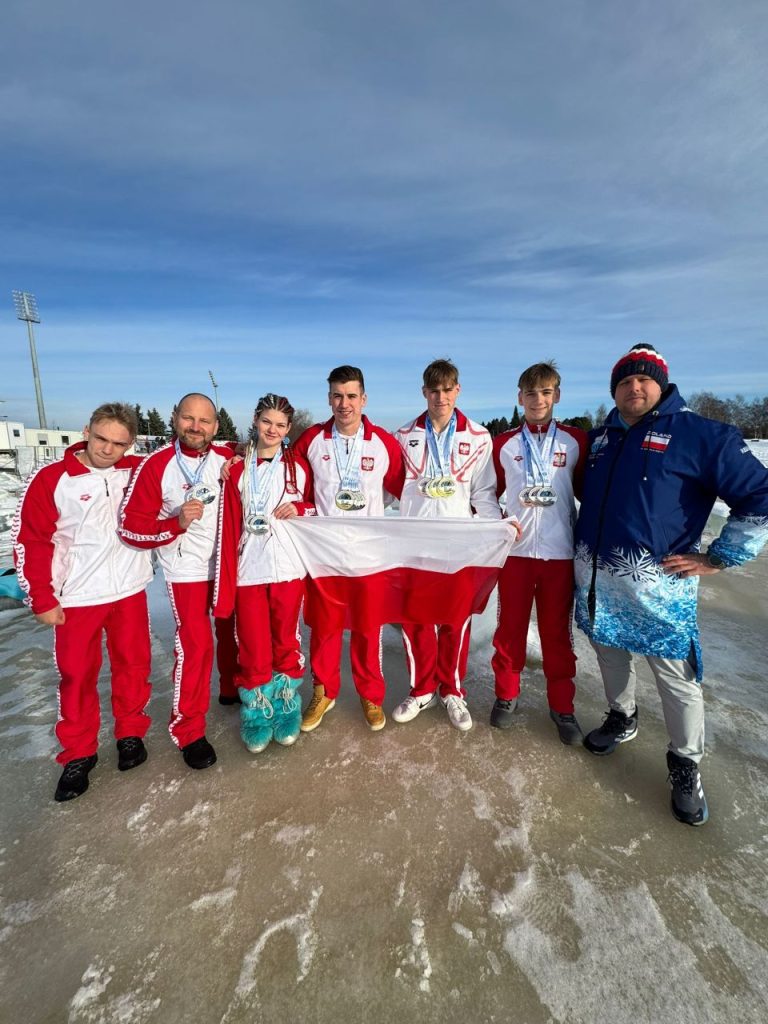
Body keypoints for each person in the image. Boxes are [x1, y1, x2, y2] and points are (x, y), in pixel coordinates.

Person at [575, 344, 768, 825]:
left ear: (661, 385)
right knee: (610, 656)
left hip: (659, 589)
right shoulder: (600, 440)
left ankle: (685, 762)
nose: (634, 387)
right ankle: (622, 716)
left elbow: (760, 495)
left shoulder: (701, 435)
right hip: (600, 584)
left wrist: (720, 557)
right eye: (624, 381)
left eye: (644, 379)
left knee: (676, 679)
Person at [12, 403, 153, 801]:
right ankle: (78, 752)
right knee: (76, 677)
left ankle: (130, 733)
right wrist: (41, 597)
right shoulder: (54, 479)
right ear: (86, 432)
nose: (108, 450)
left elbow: (183, 459)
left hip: (129, 589)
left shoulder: (137, 470)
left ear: (130, 444)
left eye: (119, 444)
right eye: (101, 439)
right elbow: (32, 539)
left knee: (133, 666)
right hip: (77, 596)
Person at [118, 393, 238, 770]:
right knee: (196, 646)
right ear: (174, 418)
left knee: (234, 632)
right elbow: (131, 527)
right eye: (188, 418)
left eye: (204, 421)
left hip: (228, 565)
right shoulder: (157, 464)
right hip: (186, 570)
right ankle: (189, 730)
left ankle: (232, 689)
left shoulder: (227, 457)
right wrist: (175, 524)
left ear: (215, 426)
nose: (196, 427)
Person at [291, 365, 405, 732]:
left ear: (364, 399)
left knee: (367, 630)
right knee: (324, 629)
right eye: (338, 396)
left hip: (368, 557)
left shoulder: (383, 442)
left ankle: (370, 695)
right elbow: (291, 483)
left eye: (351, 396)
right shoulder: (312, 439)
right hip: (324, 556)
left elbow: (403, 490)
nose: (345, 404)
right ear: (329, 399)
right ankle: (324, 691)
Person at [392, 358, 502, 731]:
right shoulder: (403, 435)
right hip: (416, 546)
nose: (441, 397)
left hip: (458, 546)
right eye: (434, 390)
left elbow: (484, 492)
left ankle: (451, 689)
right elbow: (388, 489)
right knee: (417, 620)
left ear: (458, 390)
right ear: (424, 392)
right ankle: (422, 688)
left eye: (447, 389)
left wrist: (492, 531)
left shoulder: (478, 436)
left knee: (455, 619)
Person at [490, 362, 587, 744]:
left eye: (546, 392)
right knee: (509, 629)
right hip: (515, 556)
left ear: (557, 395)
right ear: (520, 397)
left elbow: (589, 494)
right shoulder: (505, 444)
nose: (538, 400)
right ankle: (506, 694)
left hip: (559, 555)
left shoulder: (575, 441)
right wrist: (500, 522)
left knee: (556, 634)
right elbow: (486, 494)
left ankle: (562, 706)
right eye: (530, 393)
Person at [214, 394, 315, 753]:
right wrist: (232, 454)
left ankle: (286, 699)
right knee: (253, 642)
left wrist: (302, 507)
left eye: (280, 425)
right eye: (267, 421)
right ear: (256, 420)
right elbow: (229, 520)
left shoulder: (298, 467)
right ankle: (256, 707)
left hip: (288, 567)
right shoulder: (236, 468)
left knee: (286, 639)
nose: (273, 430)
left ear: (288, 429)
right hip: (249, 569)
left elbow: (317, 505)